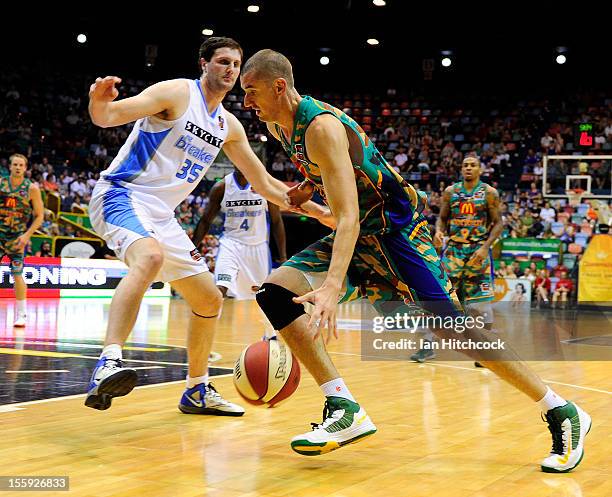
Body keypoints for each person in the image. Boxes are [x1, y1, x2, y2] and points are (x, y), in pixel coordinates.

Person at [240, 49, 590, 471]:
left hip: (396, 234)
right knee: (276, 294)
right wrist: (307, 194)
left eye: (250, 91)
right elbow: (340, 186)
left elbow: (348, 215)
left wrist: (332, 286)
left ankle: (561, 410)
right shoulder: (280, 126)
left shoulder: (321, 128)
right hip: (362, 233)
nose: (245, 102)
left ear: (279, 86)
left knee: (456, 331)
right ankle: (343, 406)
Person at [84, 37, 332, 415]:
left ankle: (196, 390)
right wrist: (99, 99)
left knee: (208, 299)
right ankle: (108, 363)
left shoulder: (227, 125)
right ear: (203, 63)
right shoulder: (176, 93)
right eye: (222, 61)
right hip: (121, 194)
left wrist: (319, 212)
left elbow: (265, 184)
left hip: (162, 215)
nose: (230, 69)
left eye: (236, 63)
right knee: (149, 258)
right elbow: (107, 117)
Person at [410, 156, 502, 363]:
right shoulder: (450, 192)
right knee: (437, 300)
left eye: (473, 165)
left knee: (481, 306)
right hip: (453, 252)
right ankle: (427, 346)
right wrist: (439, 232)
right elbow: (442, 219)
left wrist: (486, 247)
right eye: (465, 165)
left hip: (478, 252)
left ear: (480, 169)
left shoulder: (489, 193)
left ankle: (483, 351)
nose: (469, 168)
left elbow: (498, 224)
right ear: (461, 169)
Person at [193, 167, 287, 299]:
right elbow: (205, 221)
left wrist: (283, 257)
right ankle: (210, 318)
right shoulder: (222, 187)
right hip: (230, 244)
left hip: (258, 247)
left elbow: (277, 221)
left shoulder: (264, 185)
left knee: (259, 298)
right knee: (220, 289)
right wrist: (192, 249)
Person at [0, 154, 44, 327]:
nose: (18, 167)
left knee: (17, 274)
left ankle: (22, 314)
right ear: (9, 166)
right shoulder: (1, 183)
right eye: (15, 164)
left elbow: (39, 216)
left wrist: (27, 235)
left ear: (25, 168)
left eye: (21, 165)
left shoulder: (32, 188)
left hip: (17, 239)